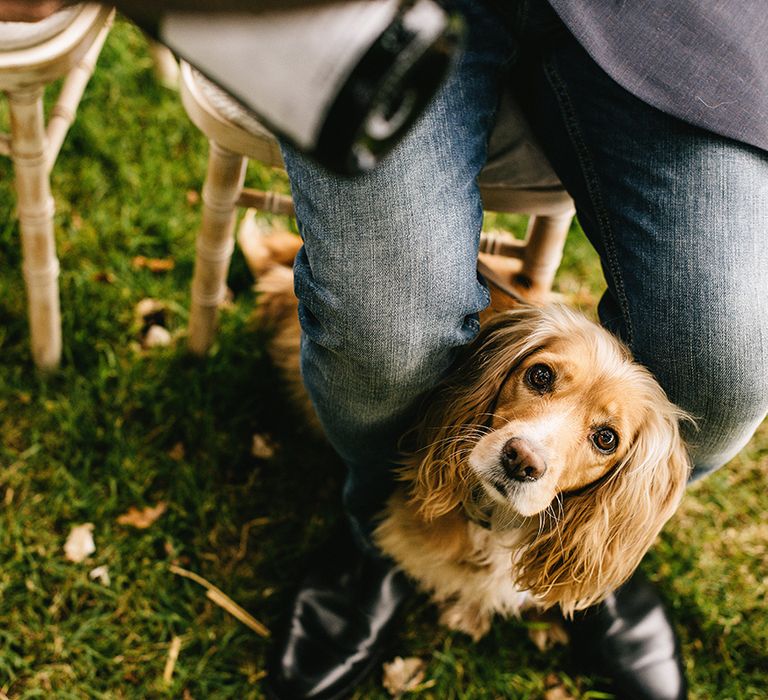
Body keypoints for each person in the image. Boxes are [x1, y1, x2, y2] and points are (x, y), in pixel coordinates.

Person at [3, 1, 766, 698]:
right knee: (388, 339)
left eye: (603, 437)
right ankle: (382, 521)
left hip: (672, 23)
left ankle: (587, 552)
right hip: (382, 7)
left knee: (729, 369)